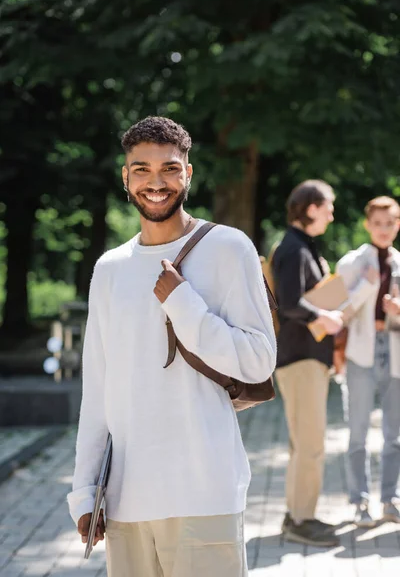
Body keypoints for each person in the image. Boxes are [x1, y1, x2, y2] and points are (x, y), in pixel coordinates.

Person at [67, 116, 277, 577]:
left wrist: (184, 304)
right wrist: (85, 491)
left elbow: (259, 359)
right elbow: (97, 388)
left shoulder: (229, 248)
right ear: (125, 177)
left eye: (169, 169)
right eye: (141, 169)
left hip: (204, 492)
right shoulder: (110, 268)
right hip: (125, 498)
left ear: (188, 173)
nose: (155, 182)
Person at [272, 180, 343, 547]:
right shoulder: (294, 249)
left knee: (304, 444)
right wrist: (326, 316)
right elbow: (290, 304)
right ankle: (301, 520)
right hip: (300, 361)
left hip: (305, 361)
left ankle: (295, 514)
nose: (332, 214)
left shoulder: (300, 248)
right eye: (328, 207)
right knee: (310, 444)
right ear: (311, 207)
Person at [336, 196, 400, 527]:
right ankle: (360, 502)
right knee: (358, 431)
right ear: (367, 225)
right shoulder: (351, 263)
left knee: (395, 434)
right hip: (360, 351)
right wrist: (366, 286)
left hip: (395, 353)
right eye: (378, 223)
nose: (384, 229)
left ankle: (391, 499)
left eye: (390, 223)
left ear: (398, 224)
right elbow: (336, 311)